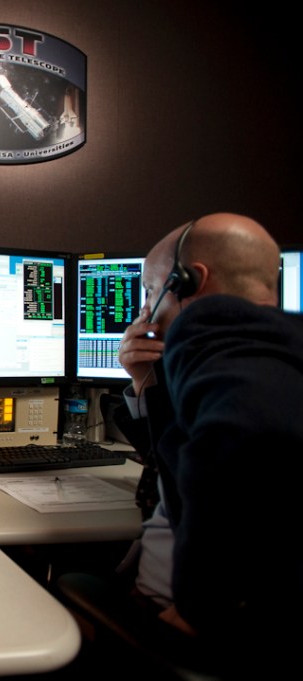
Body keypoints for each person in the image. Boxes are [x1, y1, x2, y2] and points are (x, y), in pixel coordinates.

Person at [111, 212, 303, 674]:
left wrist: (203, 607)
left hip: (179, 624)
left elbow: (254, 436)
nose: (146, 312)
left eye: (150, 292)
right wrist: (147, 383)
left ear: (190, 279)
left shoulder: (211, 330)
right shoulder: (278, 347)